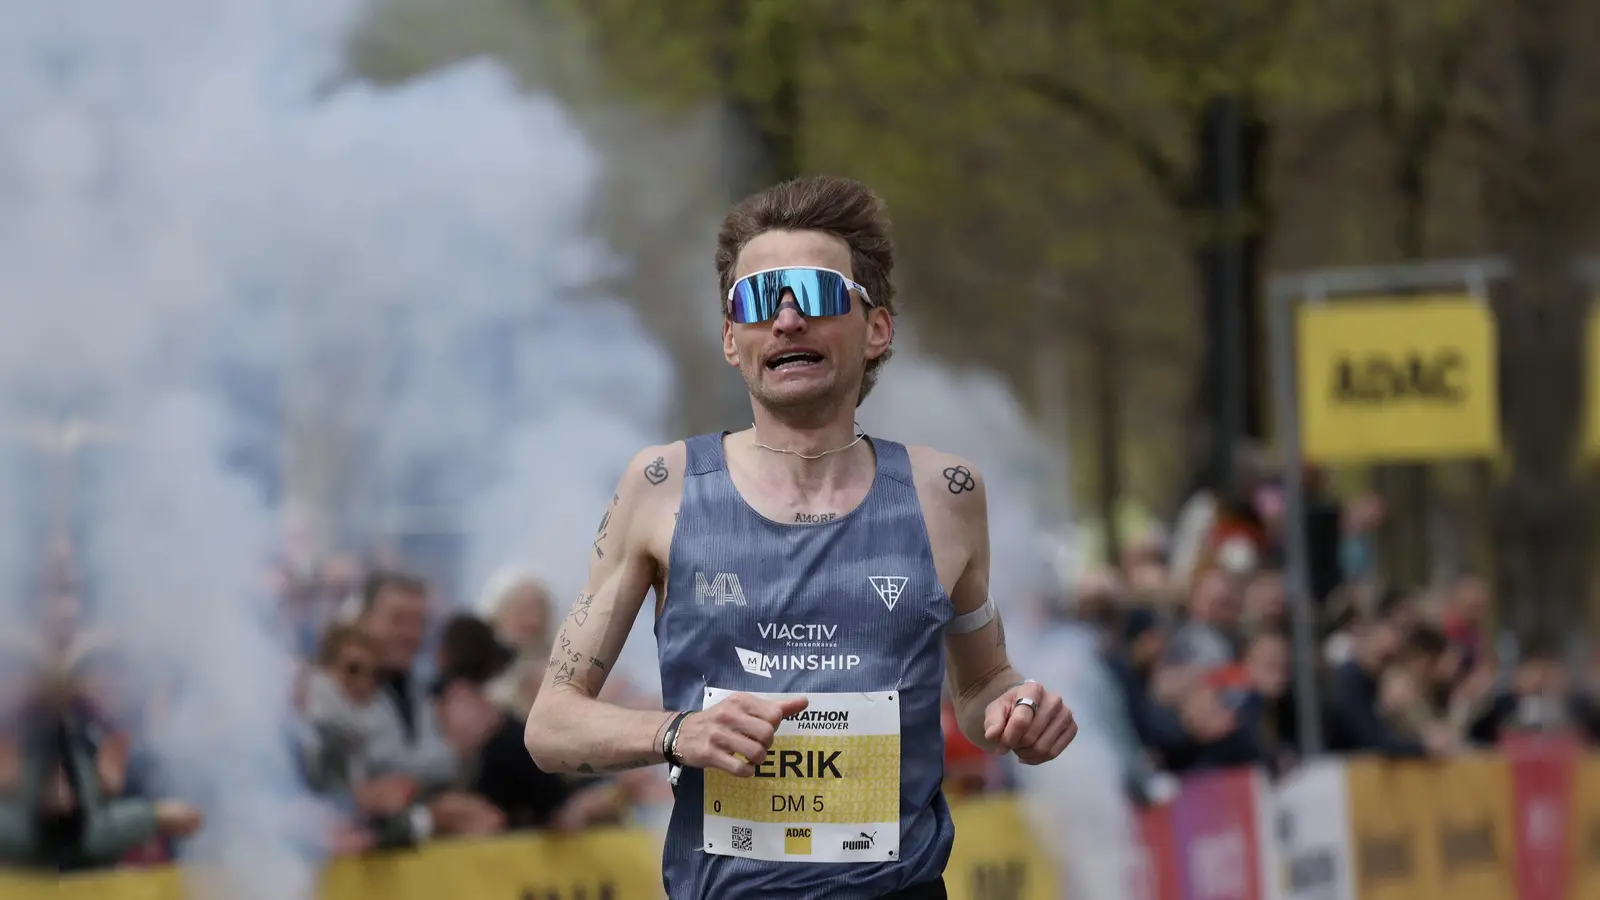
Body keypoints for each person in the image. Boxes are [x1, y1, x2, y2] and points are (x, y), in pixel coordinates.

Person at [525, 175, 1077, 900]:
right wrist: (678, 734)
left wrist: (1017, 713)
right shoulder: (663, 485)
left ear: (875, 328)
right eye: (757, 301)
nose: (785, 321)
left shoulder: (946, 495)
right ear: (732, 339)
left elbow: (980, 685)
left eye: (814, 295)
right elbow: (551, 726)